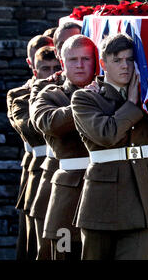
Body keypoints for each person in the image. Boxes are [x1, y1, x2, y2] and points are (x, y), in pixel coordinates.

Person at [71, 33, 148, 260]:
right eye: (117, 60)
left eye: (130, 60)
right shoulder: (85, 98)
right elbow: (106, 134)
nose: (125, 66)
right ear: (103, 64)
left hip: (141, 200)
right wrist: (131, 105)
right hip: (101, 201)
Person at [31, 35, 97, 260]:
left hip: (108, 194)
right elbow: (49, 123)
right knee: (64, 253)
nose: (79, 65)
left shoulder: (110, 93)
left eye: (86, 59)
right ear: (62, 62)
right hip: (68, 196)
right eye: (73, 59)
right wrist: (86, 101)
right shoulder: (50, 95)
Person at [9, 35, 54, 260]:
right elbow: (33, 129)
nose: (52, 73)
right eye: (45, 68)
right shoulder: (19, 96)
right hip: (39, 178)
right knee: (37, 247)